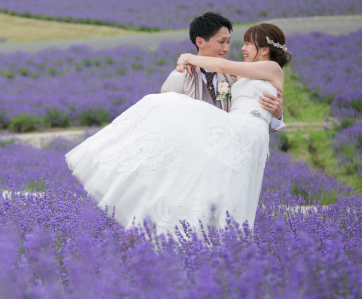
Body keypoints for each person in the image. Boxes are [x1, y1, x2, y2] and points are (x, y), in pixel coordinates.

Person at [65, 21, 291, 236]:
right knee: (214, 186)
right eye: (227, 42)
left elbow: (223, 67)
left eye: (247, 43)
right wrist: (189, 63)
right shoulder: (244, 72)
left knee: (168, 106)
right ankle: (194, 230)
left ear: (263, 50)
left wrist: (188, 56)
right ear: (201, 41)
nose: (240, 48)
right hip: (235, 133)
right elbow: (226, 72)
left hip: (245, 131)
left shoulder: (271, 68)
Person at [160, 12, 285, 131]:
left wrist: (277, 116)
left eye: (228, 42)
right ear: (200, 42)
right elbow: (163, 119)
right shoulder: (180, 78)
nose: (227, 48)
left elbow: (252, 118)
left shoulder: (231, 78)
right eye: (221, 42)